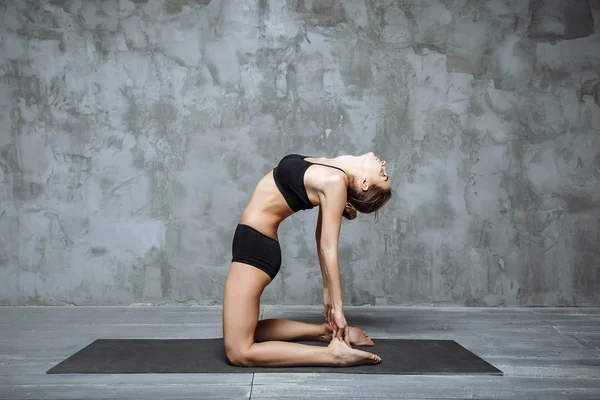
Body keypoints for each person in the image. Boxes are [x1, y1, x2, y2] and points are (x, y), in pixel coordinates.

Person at [222, 152, 392, 367]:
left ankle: (333, 356)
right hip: (251, 242)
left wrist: (337, 306)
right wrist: (326, 290)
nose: (383, 164)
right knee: (244, 329)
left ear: (365, 183)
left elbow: (328, 245)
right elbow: (320, 236)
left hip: (256, 249)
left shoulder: (334, 181)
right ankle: (327, 333)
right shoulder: (332, 169)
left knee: (238, 352)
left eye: (383, 175)